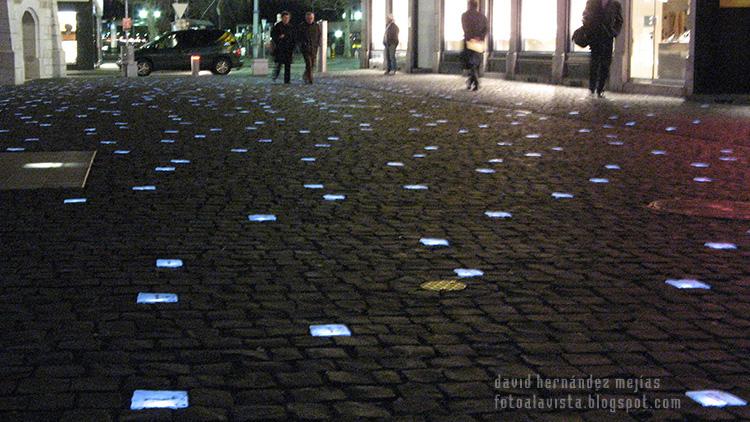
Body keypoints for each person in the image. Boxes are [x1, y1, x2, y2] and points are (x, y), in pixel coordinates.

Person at [583, 0, 623, 97]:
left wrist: (614, 32)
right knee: (594, 63)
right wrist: (589, 28)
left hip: (607, 38)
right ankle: (592, 88)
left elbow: (619, 21)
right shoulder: (592, 2)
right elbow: (585, 15)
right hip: (595, 37)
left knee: (605, 64)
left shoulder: (615, 4)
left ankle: (600, 89)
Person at [461, 0, 488, 91]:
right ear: (477, 6)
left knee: (471, 63)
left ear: (469, 5)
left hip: (469, 41)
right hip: (478, 41)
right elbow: (486, 29)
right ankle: (471, 82)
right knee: (475, 64)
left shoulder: (465, 16)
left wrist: (471, 37)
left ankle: (475, 82)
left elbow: (465, 28)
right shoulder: (482, 17)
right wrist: (480, 37)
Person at [271, 11, 295, 84]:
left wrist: (293, 46)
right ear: (282, 18)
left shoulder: (291, 27)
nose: (286, 19)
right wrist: (279, 37)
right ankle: (275, 75)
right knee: (279, 64)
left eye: (287, 18)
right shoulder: (277, 26)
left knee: (288, 65)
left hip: (288, 49)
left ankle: (287, 80)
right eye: (285, 18)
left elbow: (293, 37)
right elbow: (273, 36)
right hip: (280, 48)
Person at [298, 11, 321, 84]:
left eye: (311, 18)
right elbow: (298, 37)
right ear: (306, 18)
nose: (310, 19)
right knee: (308, 64)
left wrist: (318, 43)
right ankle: (310, 79)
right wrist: (301, 45)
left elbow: (319, 35)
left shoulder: (316, 26)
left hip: (314, 48)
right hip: (305, 48)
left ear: (313, 18)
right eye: (308, 18)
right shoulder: (302, 26)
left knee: (313, 64)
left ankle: (305, 75)